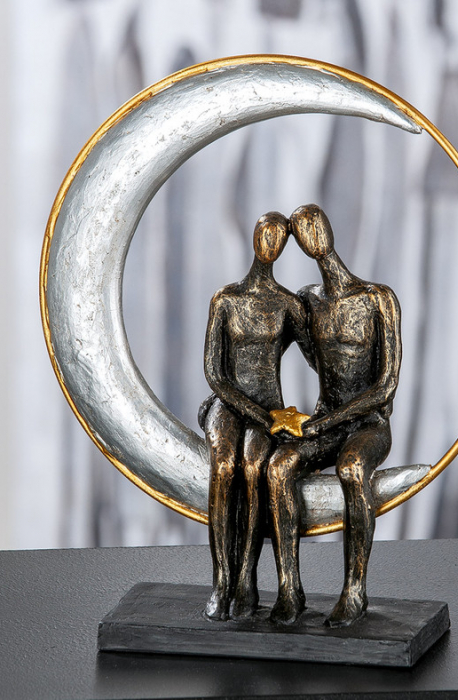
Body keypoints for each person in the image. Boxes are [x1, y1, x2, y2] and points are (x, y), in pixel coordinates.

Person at [267, 204, 402, 627]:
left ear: (328, 229)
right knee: (279, 466)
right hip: (325, 421)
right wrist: (225, 400)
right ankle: (289, 589)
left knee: (351, 469)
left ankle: (355, 590)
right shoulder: (307, 301)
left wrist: (326, 422)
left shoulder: (378, 298)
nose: (310, 232)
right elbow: (261, 346)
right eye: (301, 227)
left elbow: (386, 386)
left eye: (315, 223)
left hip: (367, 425)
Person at [200, 211, 312, 620]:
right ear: (253, 237)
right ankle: (221, 580)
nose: (270, 242)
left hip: (268, 408)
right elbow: (214, 373)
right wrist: (259, 416)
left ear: (284, 246)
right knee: (224, 465)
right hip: (228, 403)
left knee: (253, 468)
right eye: (265, 233)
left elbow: (321, 359)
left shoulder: (288, 304)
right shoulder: (226, 299)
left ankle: (246, 576)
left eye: (278, 237)